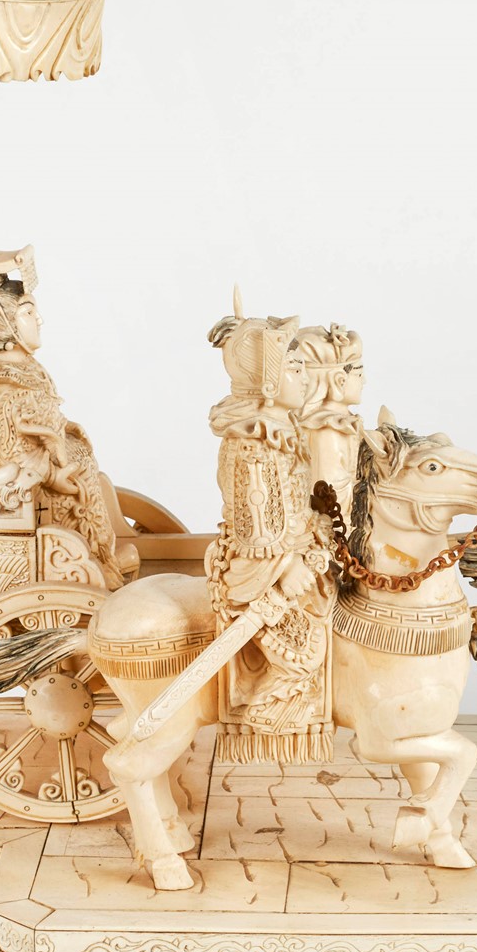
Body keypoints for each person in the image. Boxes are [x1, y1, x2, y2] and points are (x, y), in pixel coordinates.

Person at [204, 304, 335, 762]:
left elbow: (295, 505)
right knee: (306, 651)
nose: (305, 379)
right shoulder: (252, 443)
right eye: (295, 369)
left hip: (297, 550)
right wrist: (287, 566)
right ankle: (264, 705)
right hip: (260, 567)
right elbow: (256, 526)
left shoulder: (283, 430)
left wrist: (318, 535)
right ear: (267, 382)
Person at [0, 269, 125, 585]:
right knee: (77, 501)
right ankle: (93, 565)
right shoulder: (3, 393)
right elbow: (11, 455)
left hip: (63, 466)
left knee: (90, 483)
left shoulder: (19, 365)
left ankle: (105, 553)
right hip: (37, 491)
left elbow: (42, 417)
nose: (39, 320)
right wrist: (52, 477)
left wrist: (67, 429)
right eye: (27, 312)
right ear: (1, 327)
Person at [293, 323, 367, 521]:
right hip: (339, 528)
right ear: (339, 381)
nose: (364, 381)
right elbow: (333, 501)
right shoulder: (327, 432)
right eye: (359, 374)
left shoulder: (341, 425)